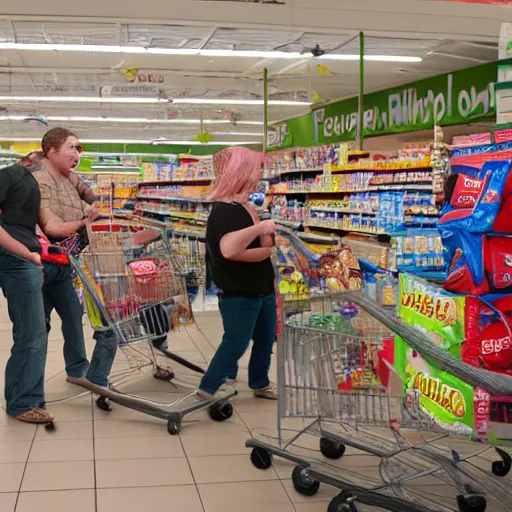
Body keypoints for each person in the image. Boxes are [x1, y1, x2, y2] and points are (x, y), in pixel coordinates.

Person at [32, 127, 118, 410]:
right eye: (72, 147)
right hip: (40, 266)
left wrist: (91, 213)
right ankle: (28, 393)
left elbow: (87, 205)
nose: (78, 153)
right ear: (52, 150)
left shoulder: (68, 179)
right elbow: (52, 226)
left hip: (65, 265)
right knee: (35, 331)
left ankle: (77, 370)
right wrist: (84, 222)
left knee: (72, 316)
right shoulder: (39, 179)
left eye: (79, 148)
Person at [197, 146, 278, 400]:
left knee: (266, 340)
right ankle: (208, 387)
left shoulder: (245, 206)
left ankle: (259, 381)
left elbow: (265, 248)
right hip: (239, 290)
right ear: (242, 170)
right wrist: (262, 229)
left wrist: (264, 246)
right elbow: (230, 249)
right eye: (257, 167)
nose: (260, 173)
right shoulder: (225, 209)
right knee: (236, 341)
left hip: (260, 286)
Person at [0, 162, 54, 423]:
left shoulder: (28, 182)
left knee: (34, 331)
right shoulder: (11, 174)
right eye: (72, 147)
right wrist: (28, 254)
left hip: (22, 258)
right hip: (17, 259)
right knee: (32, 333)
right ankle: (23, 402)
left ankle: (27, 394)